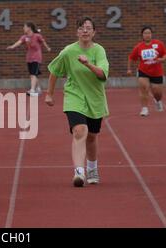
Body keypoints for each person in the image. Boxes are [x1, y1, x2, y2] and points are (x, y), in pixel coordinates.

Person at [45, 17, 109, 187]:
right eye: (81, 28)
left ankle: (92, 167)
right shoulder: (68, 51)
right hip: (74, 95)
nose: (85, 31)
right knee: (80, 131)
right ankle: (79, 172)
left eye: (88, 28)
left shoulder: (99, 51)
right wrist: (49, 94)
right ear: (77, 32)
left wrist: (88, 64)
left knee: (92, 136)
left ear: (94, 32)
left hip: (95, 98)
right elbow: (54, 71)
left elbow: (102, 75)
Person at [127, 26, 166, 117]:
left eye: (149, 33)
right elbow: (131, 57)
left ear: (151, 34)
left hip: (157, 72)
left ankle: (157, 100)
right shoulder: (139, 47)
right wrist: (129, 69)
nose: (147, 35)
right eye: (145, 33)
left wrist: (162, 59)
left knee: (157, 93)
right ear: (142, 35)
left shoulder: (158, 44)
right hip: (143, 71)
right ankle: (144, 109)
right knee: (144, 88)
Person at [7, 22, 51, 97]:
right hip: (29, 58)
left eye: (24, 27)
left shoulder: (37, 36)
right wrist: (12, 46)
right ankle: (38, 88)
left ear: (29, 28)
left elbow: (43, 42)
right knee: (32, 75)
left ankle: (32, 90)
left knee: (33, 74)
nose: (23, 28)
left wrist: (47, 48)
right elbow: (19, 42)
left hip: (36, 58)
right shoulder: (24, 37)